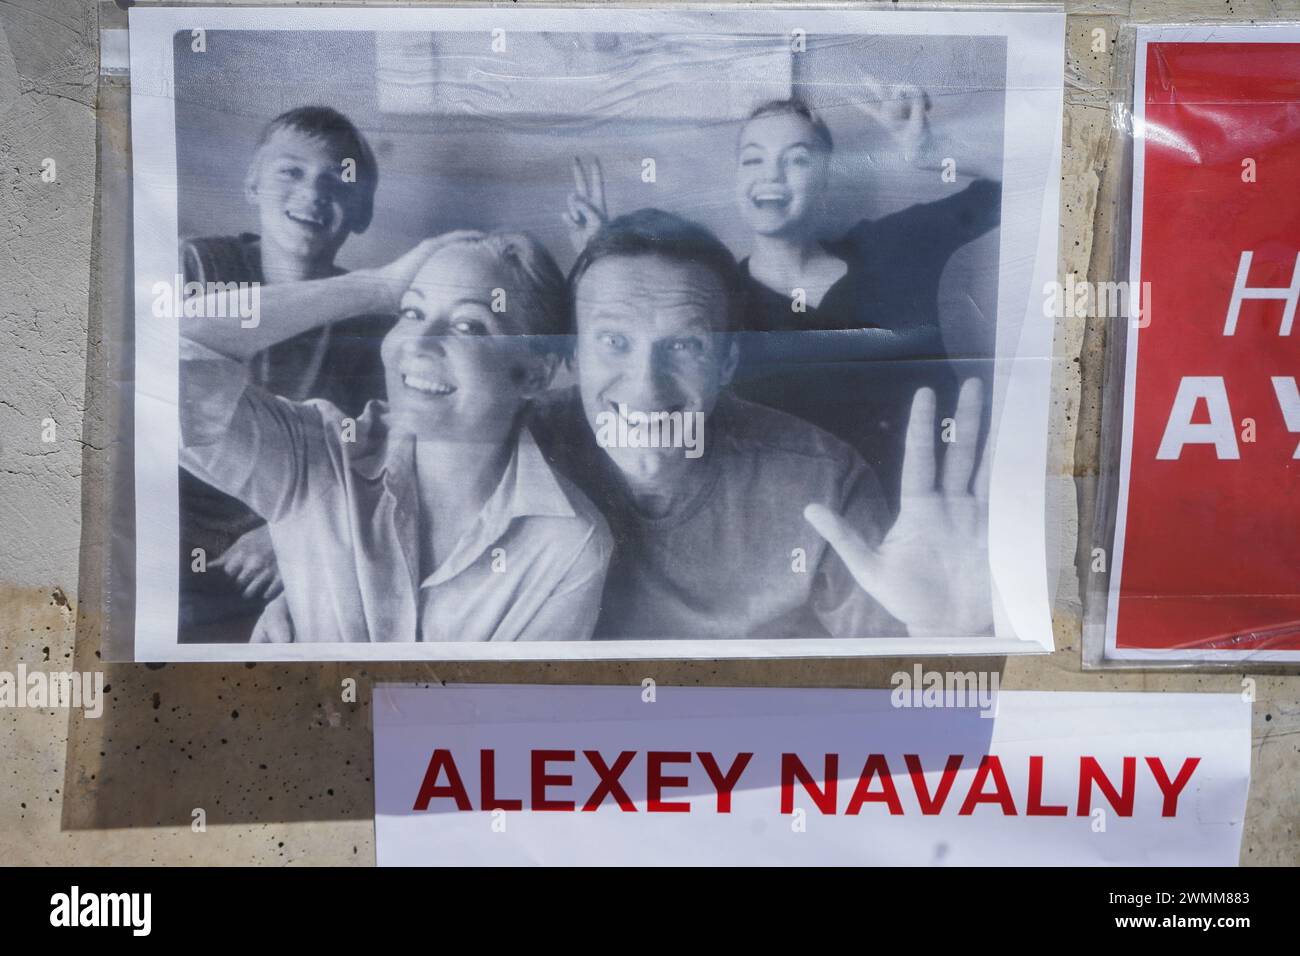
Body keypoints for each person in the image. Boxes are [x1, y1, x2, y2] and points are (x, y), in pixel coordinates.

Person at [532, 209, 993, 640]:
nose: (645, 387)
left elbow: (892, 688)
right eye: (614, 341)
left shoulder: (826, 482)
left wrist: (941, 634)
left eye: (685, 346)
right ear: (572, 353)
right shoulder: (515, 444)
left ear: (727, 361)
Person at [565, 90, 1001, 514]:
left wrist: (934, 150)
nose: (771, 175)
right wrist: (606, 265)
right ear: (738, 179)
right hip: (813, 543)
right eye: (753, 159)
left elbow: (1035, 177)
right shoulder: (714, 307)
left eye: (796, 159)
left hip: (951, 520)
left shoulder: (896, 246)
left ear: (829, 176)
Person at [179, 231, 612, 643]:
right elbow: (156, 364)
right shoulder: (320, 455)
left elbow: (496, 711)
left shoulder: (569, 545)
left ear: (536, 373)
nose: (418, 343)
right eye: (411, 312)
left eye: (468, 326)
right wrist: (373, 287)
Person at [178, 106, 393, 640]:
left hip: (297, 550)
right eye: (290, 171)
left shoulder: (373, 322)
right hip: (179, 531)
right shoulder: (198, 266)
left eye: (338, 179)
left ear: (362, 211)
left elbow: (375, 463)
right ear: (252, 185)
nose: (313, 193)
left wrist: (284, 534)